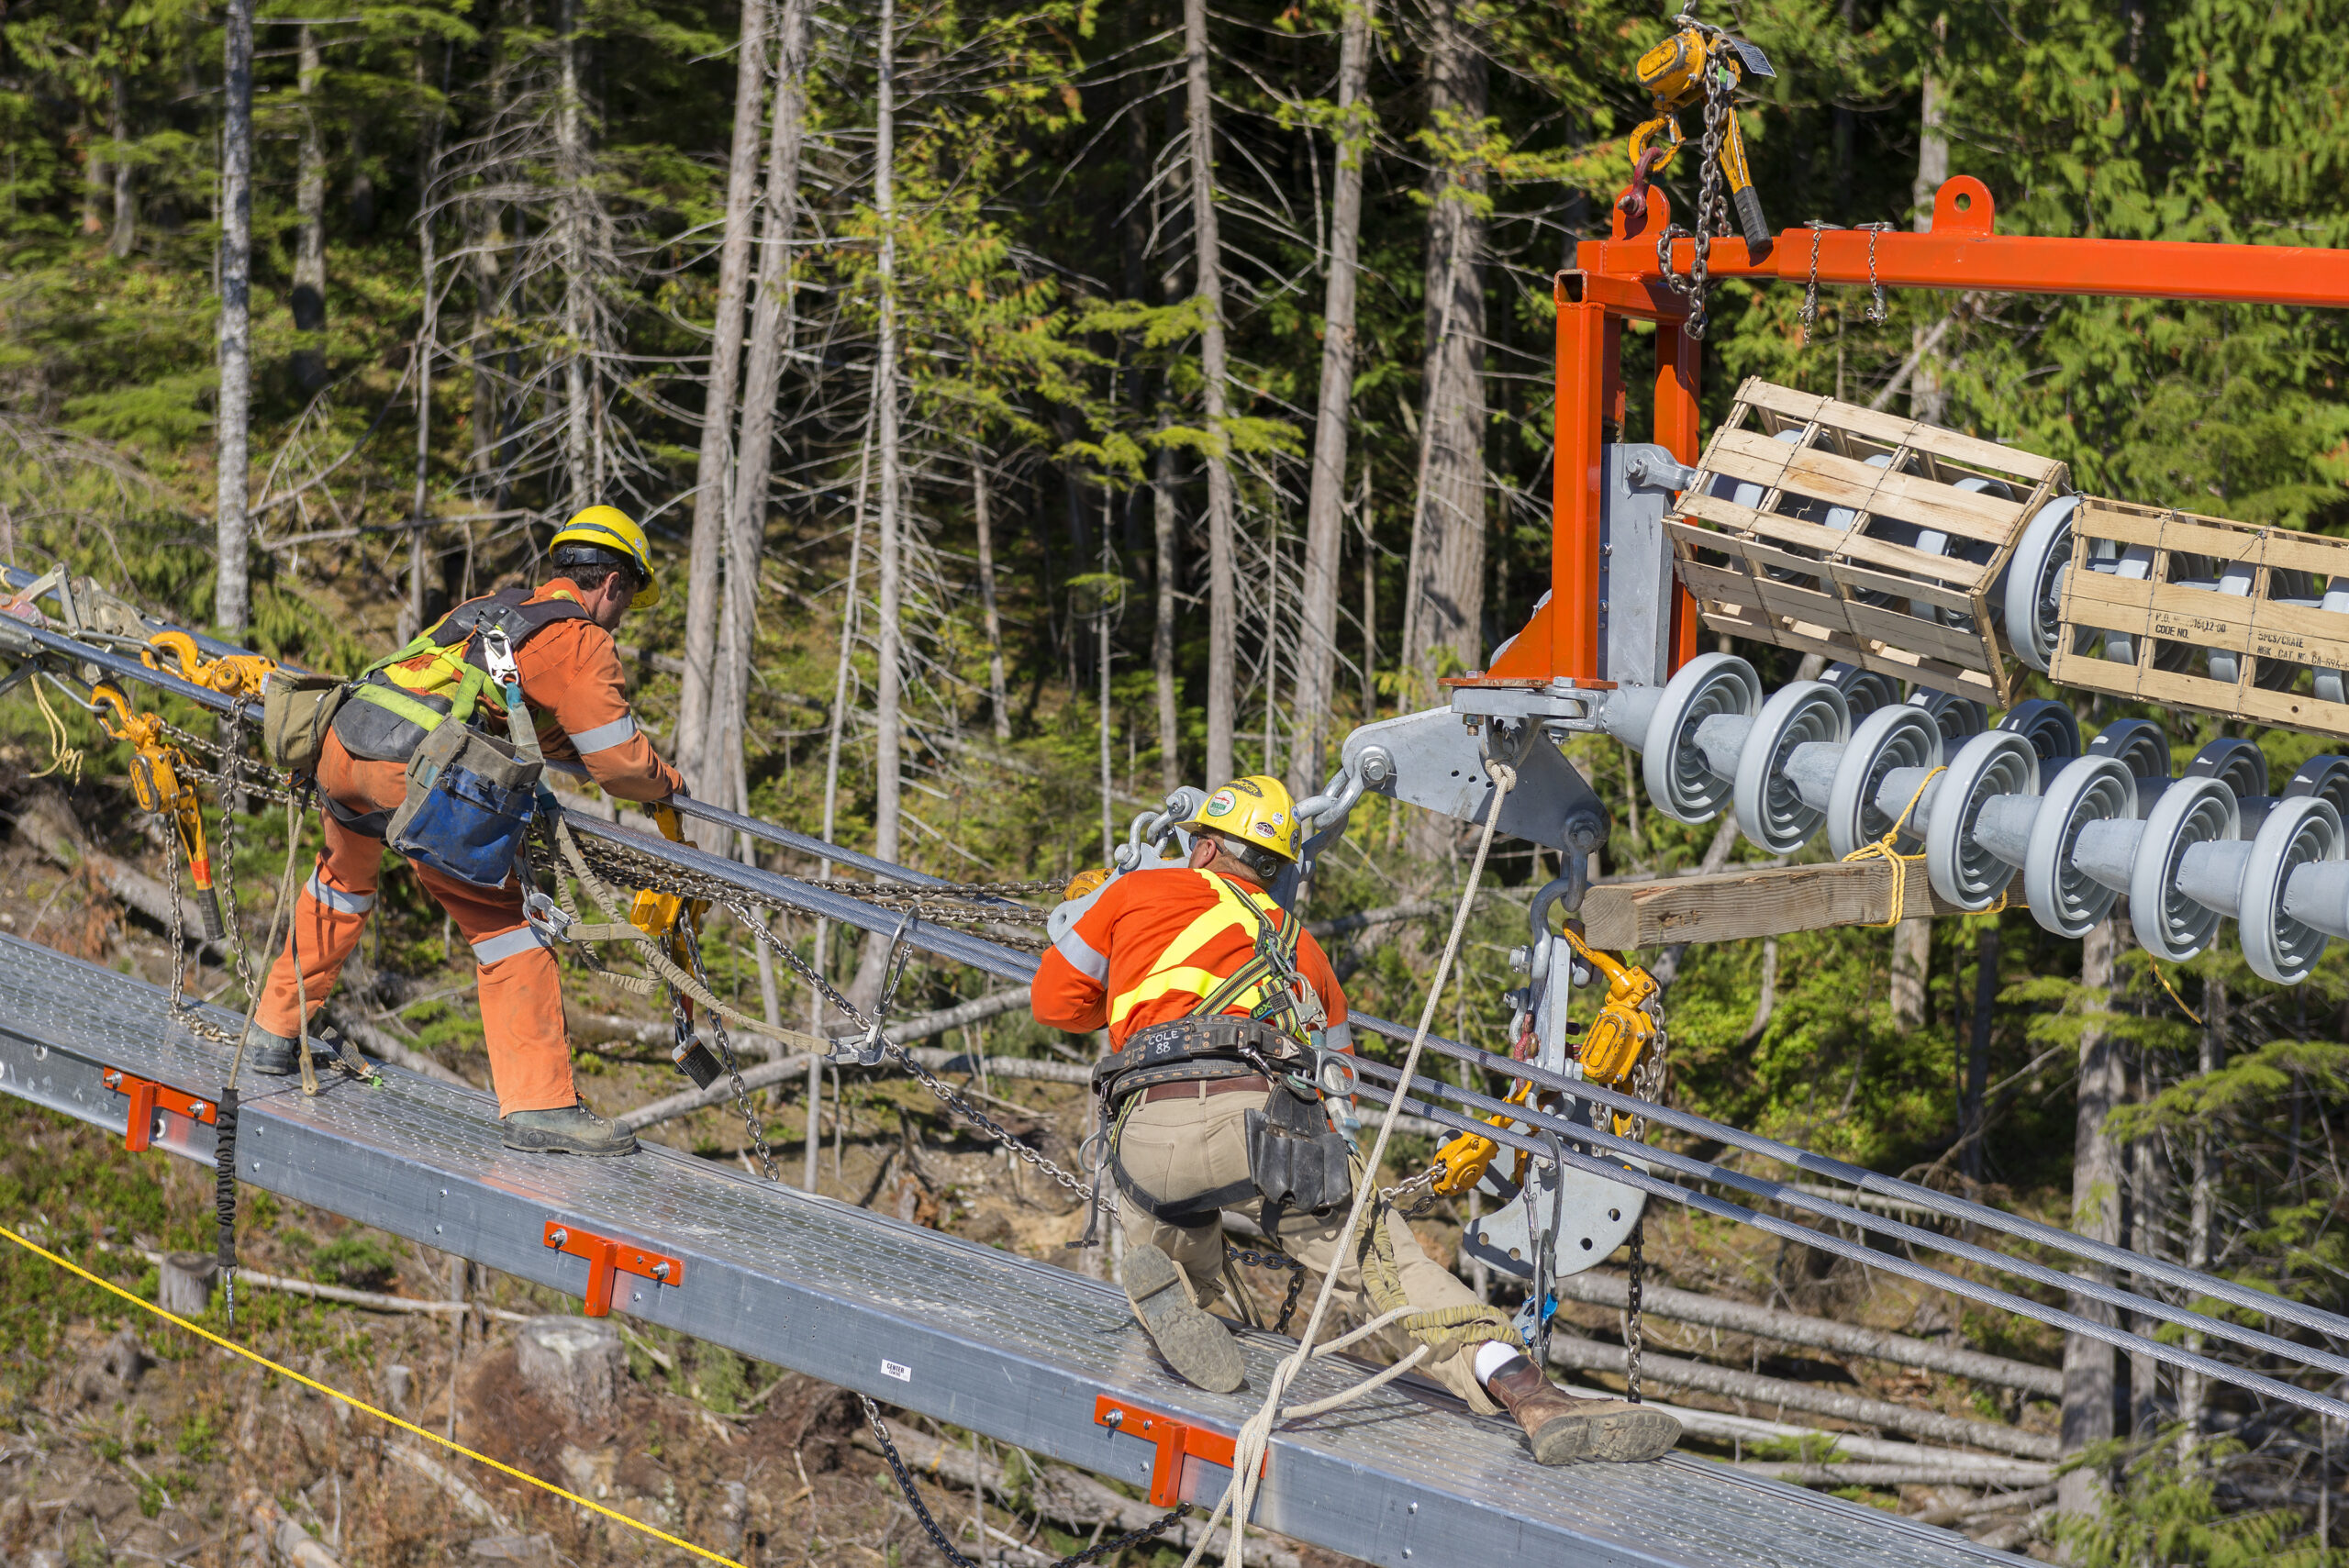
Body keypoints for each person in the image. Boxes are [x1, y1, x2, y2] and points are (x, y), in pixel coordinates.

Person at [1030, 775, 1680, 1465]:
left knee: (1166, 1234)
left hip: (1146, 1132)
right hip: (1263, 1123)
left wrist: (1121, 949)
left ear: (1204, 846)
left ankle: (1179, 1297)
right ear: (1274, 868)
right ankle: (1526, 1391)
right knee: (1389, 1272)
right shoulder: (1303, 951)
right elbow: (1340, 1088)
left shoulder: (1136, 893)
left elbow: (1055, 1004)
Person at [244, 506, 681, 1156]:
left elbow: (505, 700)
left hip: (345, 742)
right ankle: (541, 1104)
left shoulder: (495, 608)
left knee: (341, 883)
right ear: (613, 584)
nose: (622, 615)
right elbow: (619, 764)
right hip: (411, 771)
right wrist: (667, 784)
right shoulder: (580, 639)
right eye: (627, 600)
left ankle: (274, 1029)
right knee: (507, 922)